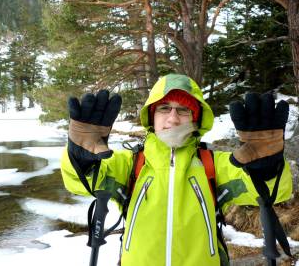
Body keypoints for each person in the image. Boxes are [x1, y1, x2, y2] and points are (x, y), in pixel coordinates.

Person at [60, 73, 292, 266]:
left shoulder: (215, 164)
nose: (172, 118)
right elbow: (82, 182)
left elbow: (271, 192)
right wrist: (81, 160)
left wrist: (268, 168)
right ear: (152, 116)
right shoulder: (130, 164)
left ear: (196, 119)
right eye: (164, 108)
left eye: (183, 110)